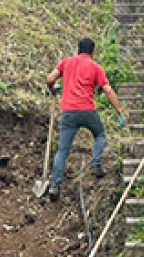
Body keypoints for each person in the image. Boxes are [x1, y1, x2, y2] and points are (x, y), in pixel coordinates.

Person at [43, 38, 126, 202]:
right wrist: (119, 111)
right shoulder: (95, 67)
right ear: (93, 52)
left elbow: (49, 79)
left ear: (78, 50)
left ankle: (55, 186)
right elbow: (108, 90)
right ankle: (96, 163)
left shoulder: (66, 62)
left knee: (62, 151)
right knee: (100, 134)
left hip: (68, 112)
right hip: (87, 110)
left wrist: (54, 90)